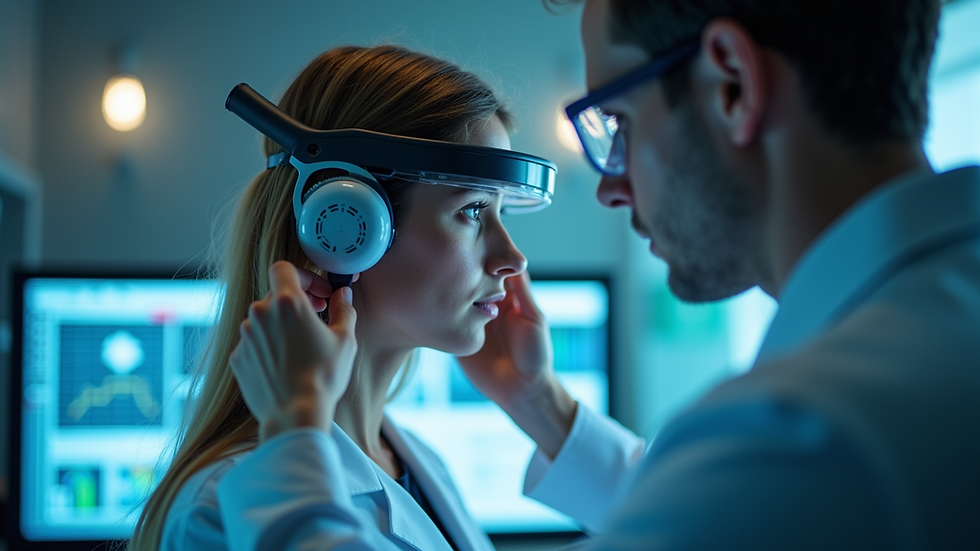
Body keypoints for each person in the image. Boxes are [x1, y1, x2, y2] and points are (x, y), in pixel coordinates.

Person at [226, 0, 980, 549]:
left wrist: (293, 440)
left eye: (617, 123)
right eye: (471, 210)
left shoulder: (807, 436)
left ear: (732, 86)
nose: (613, 186)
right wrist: (540, 402)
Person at [128, 44, 543, 551]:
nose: (513, 257)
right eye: (475, 210)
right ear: (351, 223)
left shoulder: (415, 461)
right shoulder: (219, 510)